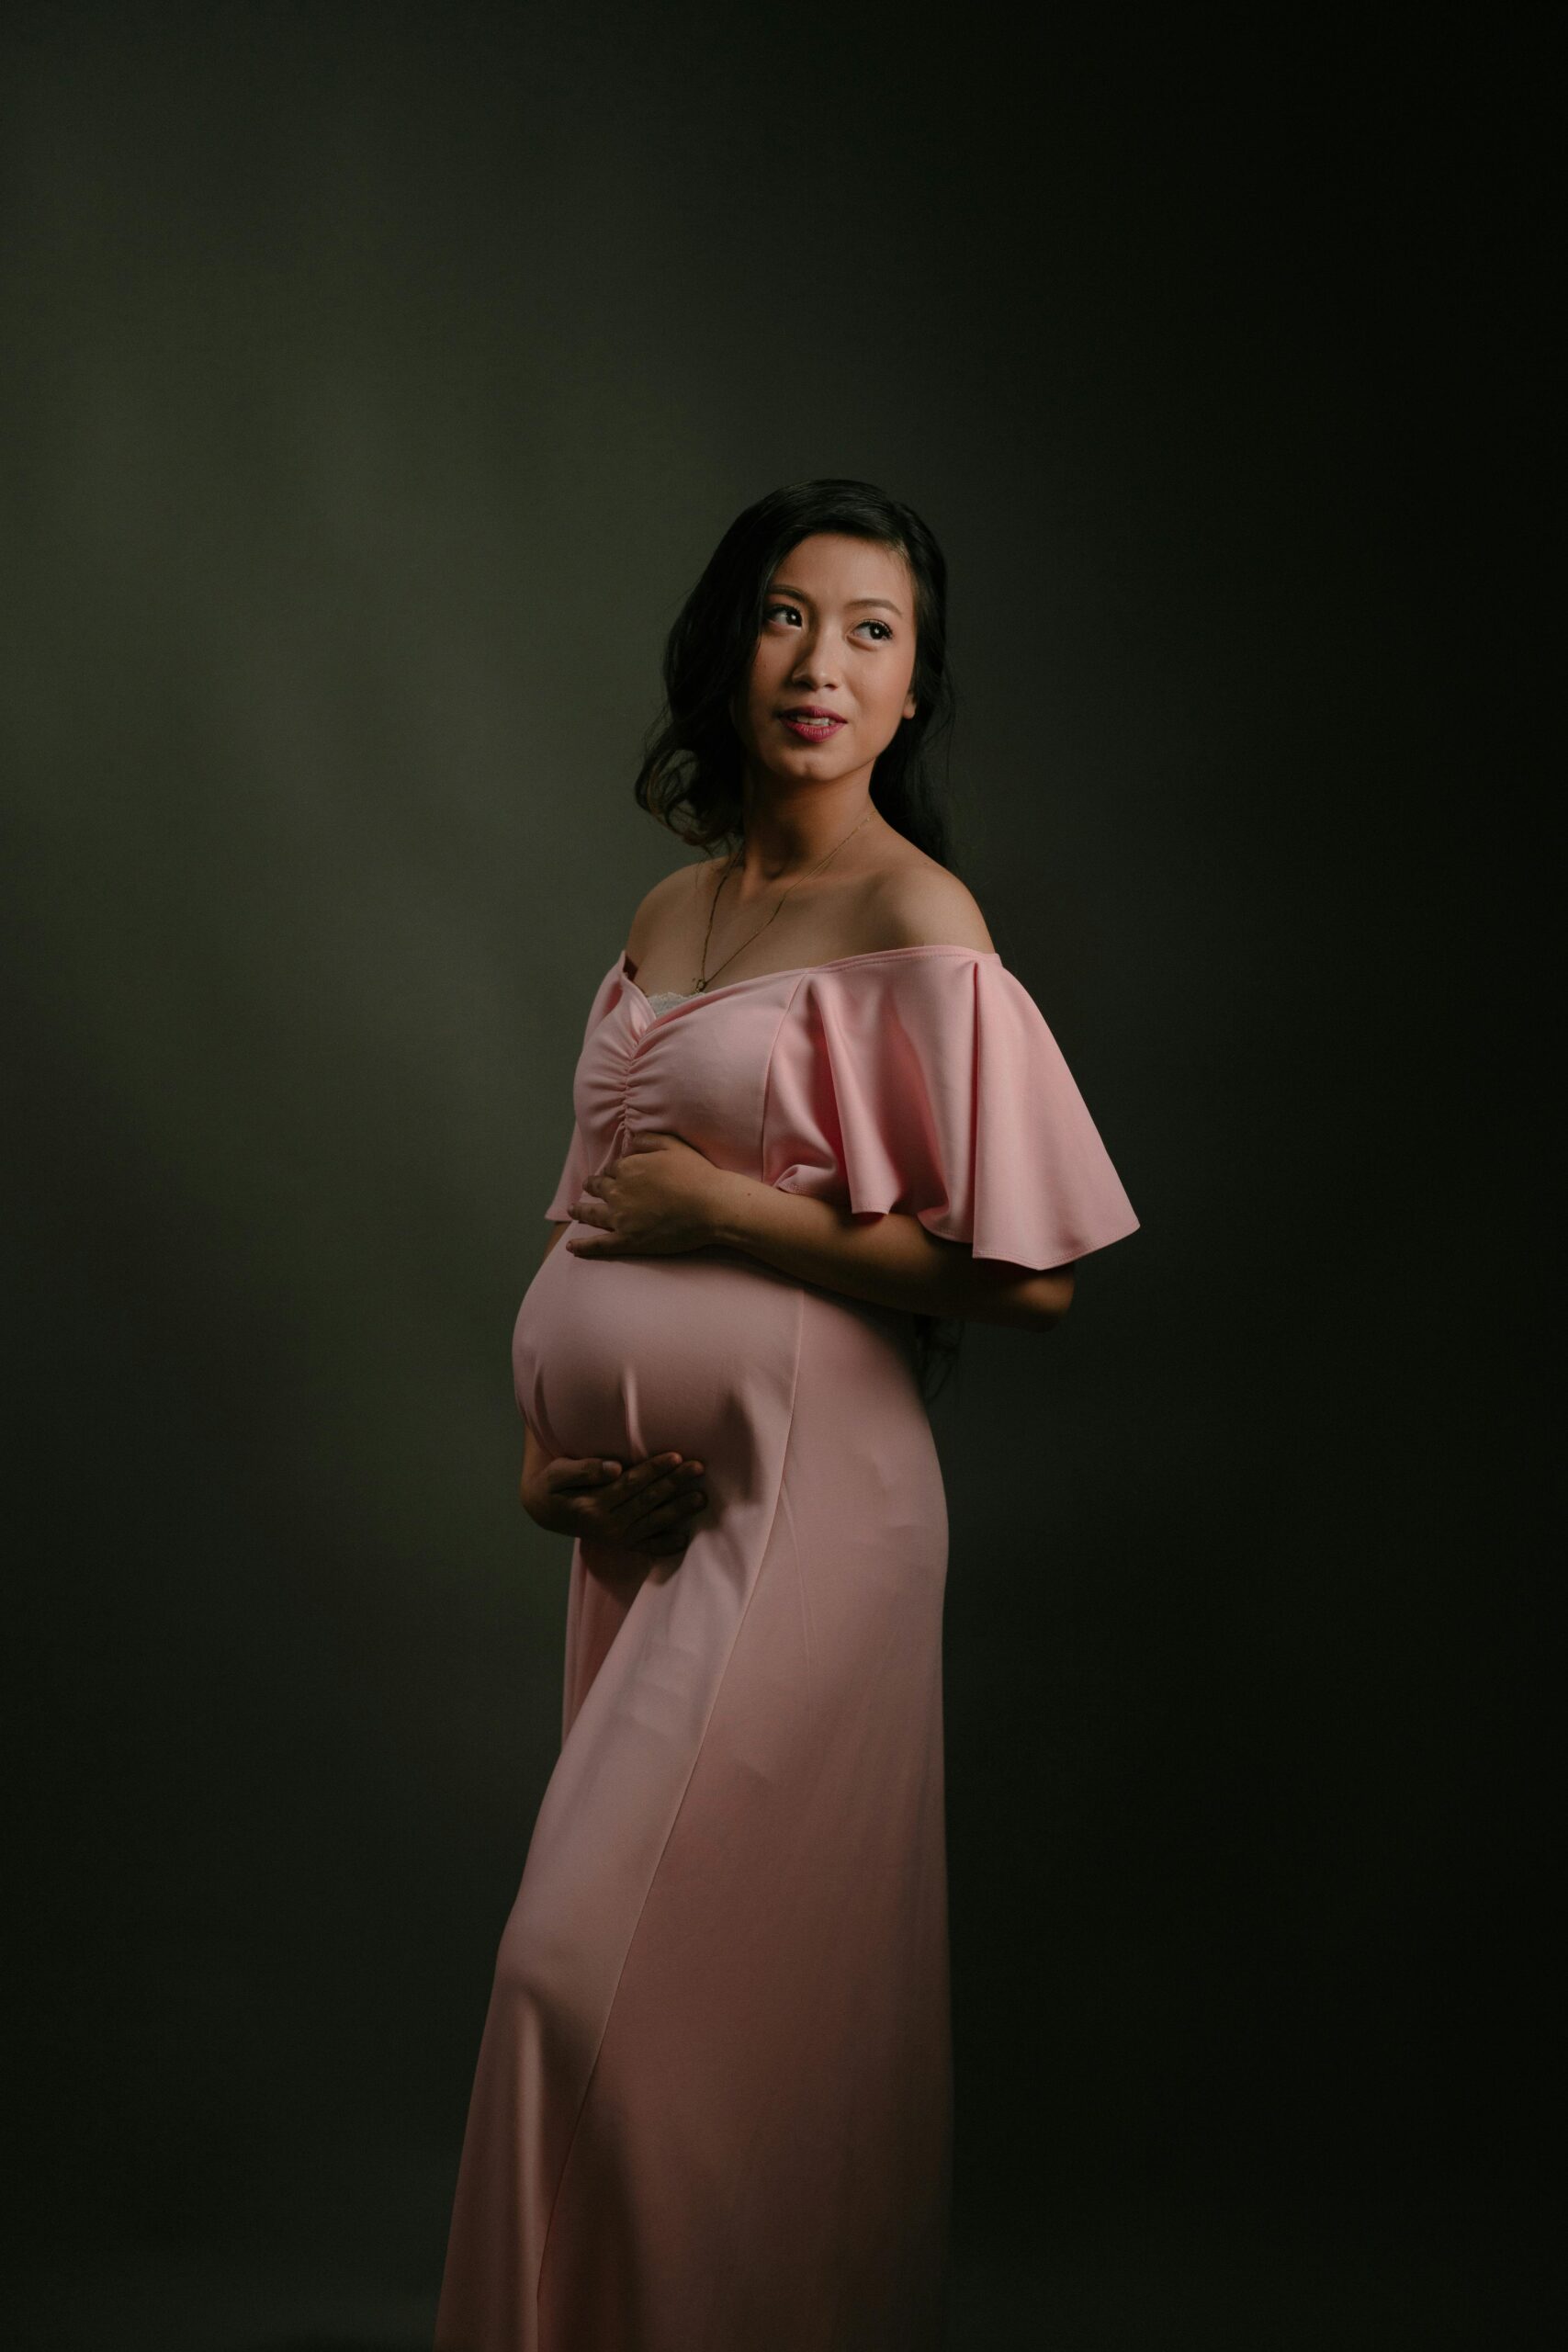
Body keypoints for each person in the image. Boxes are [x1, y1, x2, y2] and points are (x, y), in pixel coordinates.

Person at [434, 479, 1139, 2352]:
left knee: (579, 1976)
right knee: (703, 2024)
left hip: (812, 1511)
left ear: (911, 696)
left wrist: (736, 1213)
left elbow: (1033, 1272)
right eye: (784, 616)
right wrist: (541, 1473)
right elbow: (584, 1206)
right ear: (725, 646)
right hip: (645, 1525)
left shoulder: (916, 909)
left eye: (870, 631)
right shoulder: (671, 899)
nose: (819, 662)